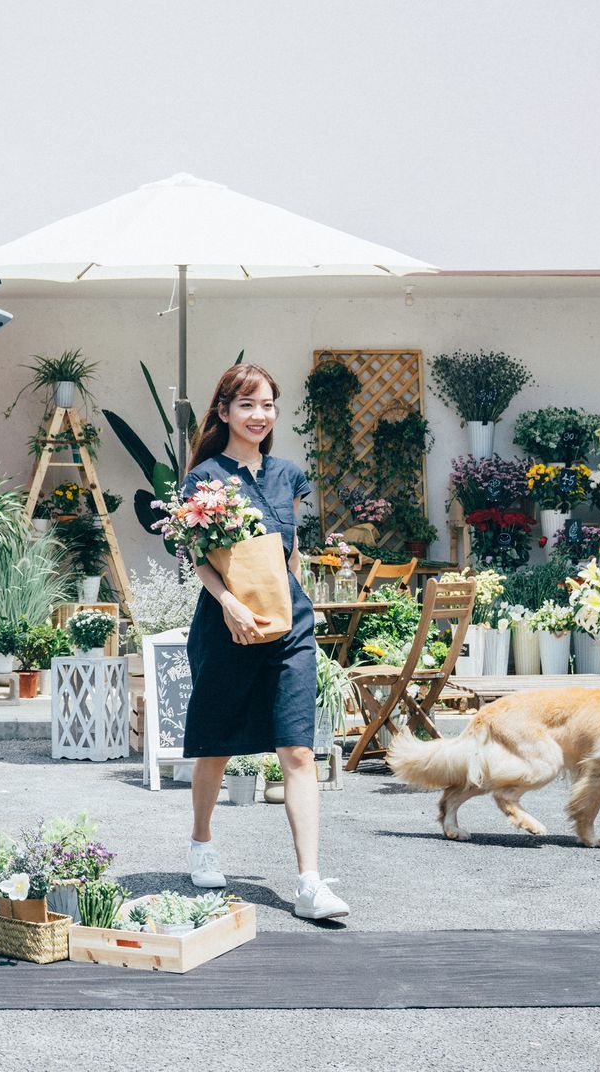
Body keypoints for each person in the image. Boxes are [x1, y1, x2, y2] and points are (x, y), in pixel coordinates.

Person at [177, 363, 349, 921]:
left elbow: (290, 553)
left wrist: (304, 610)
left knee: (299, 749)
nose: (259, 415)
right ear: (224, 411)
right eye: (247, 404)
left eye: (268, 404)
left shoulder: (287, 475)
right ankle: (202, 841)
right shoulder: (204, 477)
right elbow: (200, 558)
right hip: (227, 625)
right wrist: (230, 604)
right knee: (216, 745)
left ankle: (309, 882)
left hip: (289, 625)